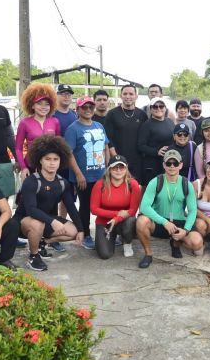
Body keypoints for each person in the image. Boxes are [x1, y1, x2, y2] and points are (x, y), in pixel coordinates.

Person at [14, 136, 84, 272]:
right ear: (40, 160)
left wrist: (81, 230)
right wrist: (53, 221)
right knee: (37, 224)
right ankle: (33, 257)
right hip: (24, 222)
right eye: (48, 159)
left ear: (60, 161)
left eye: (55, 159)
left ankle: (42, 243)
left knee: (73, 231)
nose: (52, 163)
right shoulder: (31, 181)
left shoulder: (62, 182)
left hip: (45, 220)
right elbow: (31, 210)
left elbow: (71, 207)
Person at [136, 150, 203, 268]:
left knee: (197, 243)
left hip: (179, 222)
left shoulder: (187, 184)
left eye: (175, 163)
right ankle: (148, 254)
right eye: (168, 163)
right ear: (164, 165)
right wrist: (164, 222)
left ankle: (176, 243)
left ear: (180, 165)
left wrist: (186, 230)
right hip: (160, 221)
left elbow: (192, 210)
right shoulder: (156, 181)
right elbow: (144, 207)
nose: (172, 166)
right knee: (141, 221)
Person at [65, 96, 110, 249]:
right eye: (84, 107)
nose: (88, 110)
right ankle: (85, 234)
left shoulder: (99, 125)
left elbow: (105, 147)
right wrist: (78, 174)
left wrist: (107, 169)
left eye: (91, 107)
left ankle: (106, 233)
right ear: (77, 110)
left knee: (104, 205)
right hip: (84, 176)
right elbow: (69, 153)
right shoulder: (73, 129)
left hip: (100, 175)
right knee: (85, 206)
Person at [90, 155, 141, 260]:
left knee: (131, 220)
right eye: (115, 167)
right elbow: (94, 209)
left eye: (121, 167)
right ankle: (111, 237)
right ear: (109, 169)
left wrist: (117, 218)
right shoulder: (100, 184)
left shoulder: (133, 184)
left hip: (124, 220)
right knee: (105, 254)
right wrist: (116, 214)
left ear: (126, 168)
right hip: (105, 222)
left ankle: (127, 242)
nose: (118, 170)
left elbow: (132, 210)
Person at [14, 83, 61, 176]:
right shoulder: (24, 123)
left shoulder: (55, 121)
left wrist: (56, 165)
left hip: (50, 167)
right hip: (31, 167)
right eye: (39, 103)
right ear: (32, 105)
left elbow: (59, 146)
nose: (43, 107)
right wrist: (23, 167)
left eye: (47, 104)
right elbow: (18, 148)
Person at [103, 84, 148, 182]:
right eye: (125, 94)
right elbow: (108, 138)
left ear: (136, 96)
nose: (128, 96)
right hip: (118, 160)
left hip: (137, 161)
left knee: (136, 187)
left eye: (131, 94)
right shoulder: (112, 114)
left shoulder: (142, 115)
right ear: (121, 96)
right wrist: (117, 158)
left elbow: (145, 138)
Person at [138, 98, 175, 184]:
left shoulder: (170, 122)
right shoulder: (147, 125)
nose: (158, 109)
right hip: (153, 165)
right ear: (150, 109)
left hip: (169, 163)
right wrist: (156, 151)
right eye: (155, 107)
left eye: (161, 106)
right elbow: (140, 146)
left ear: (165, 108)